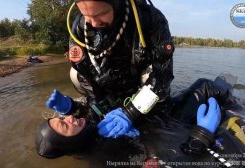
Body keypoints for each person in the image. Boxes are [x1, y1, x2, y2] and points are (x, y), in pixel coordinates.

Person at [47, 0, 175, 139]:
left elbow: (162, 75)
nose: (94, 24)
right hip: (107, 81)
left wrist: (131, 112)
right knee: (75, 73)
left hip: (140, 84)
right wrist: (92, 104)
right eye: (87, 15)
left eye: (101, 14)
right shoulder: (80, 27)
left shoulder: (151, 20)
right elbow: (81, 69)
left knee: (157, 106)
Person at [37, 78, 229, 158]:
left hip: (152, 115)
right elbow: (167, 159)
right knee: (205, 87)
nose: (69, 118)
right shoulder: (108, 153)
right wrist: (201, 137)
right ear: (71, 142)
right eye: (64, 124)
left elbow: (91, 114)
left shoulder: (87, 133)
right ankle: (234, 104)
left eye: (62, 117)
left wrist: (72, 106)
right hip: (169, 125)